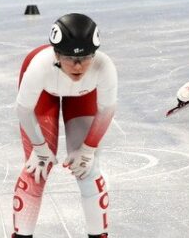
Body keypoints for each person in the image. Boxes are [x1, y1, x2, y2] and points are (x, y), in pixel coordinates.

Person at [11, 13, 117, 238]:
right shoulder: (40, 64)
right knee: (36, 170)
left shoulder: (104, 66)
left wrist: (88, 150)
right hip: (43, 96)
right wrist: (40, 149)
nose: (78, 66)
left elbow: (107, 109)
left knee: (87, 168)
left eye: (86, 57)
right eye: (70, 58)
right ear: (56, 54)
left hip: (82, 97)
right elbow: (23, 109)